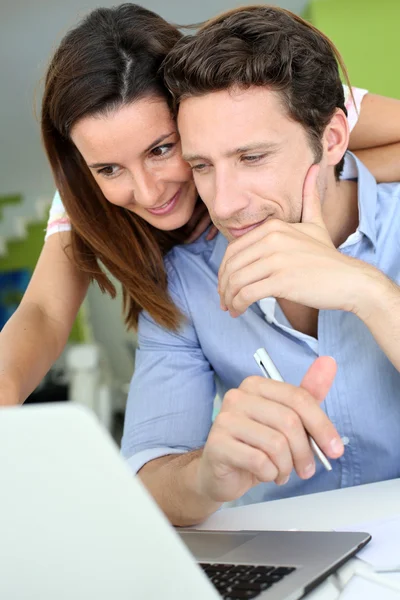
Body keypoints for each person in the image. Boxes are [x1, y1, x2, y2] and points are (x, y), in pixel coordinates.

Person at [0, 3, 398, 408]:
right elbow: (45, 313)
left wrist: (328, 178)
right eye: (108, 169)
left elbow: (327, 153)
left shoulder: (259, 97)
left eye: (161, 149)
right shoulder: (85, 199)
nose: (149, 193)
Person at [121, 5, 400, 527]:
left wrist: (370, 291)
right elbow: (146, 480)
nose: (224, 205)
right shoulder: (186, 281)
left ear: (333, 139)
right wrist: (205, 476)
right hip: (287, 562)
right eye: (202, 165)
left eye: (252, 158)